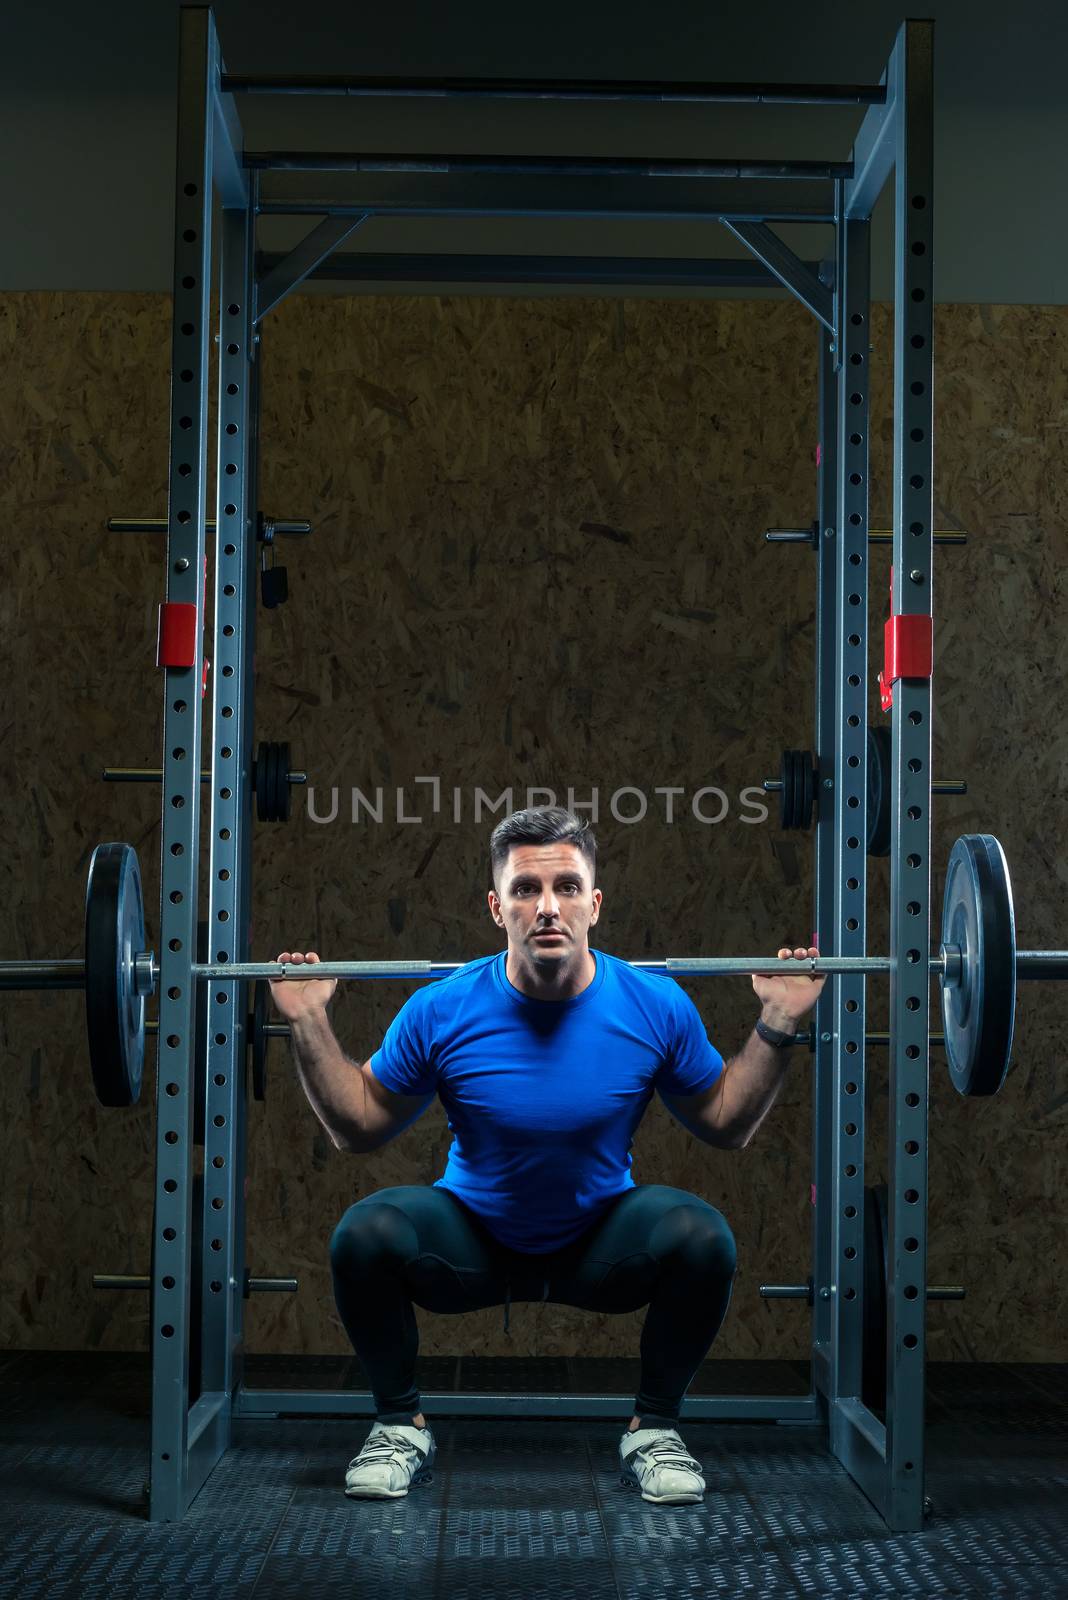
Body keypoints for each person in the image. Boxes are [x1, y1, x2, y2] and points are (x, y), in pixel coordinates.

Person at [270, 805, 825, 1507]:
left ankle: (654, 1430)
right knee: (366, 1234)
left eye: (566, 887)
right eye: (526, 891)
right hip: (472, 1240)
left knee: (701, 1237)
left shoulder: (654, 1005)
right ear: (495, 907)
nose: (547, 907)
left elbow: (724, 1122)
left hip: (599, 1244)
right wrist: (308, 1020)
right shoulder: (442, 1009)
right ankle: (398, 1426)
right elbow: (359, 1126)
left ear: (594, 904)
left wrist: (778, 1020)